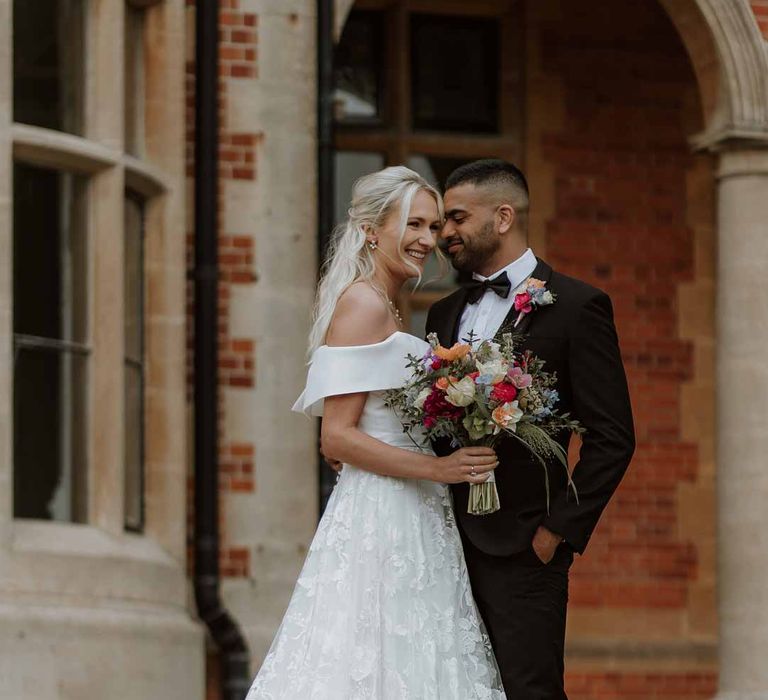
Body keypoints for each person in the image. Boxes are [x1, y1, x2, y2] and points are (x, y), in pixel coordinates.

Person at [246, 166, 506, 699]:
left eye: (433, 228)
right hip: (383, 517)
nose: (426, 241)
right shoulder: (363, 304)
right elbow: (336, 438)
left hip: (418, 510)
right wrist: (439, 469)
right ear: (370, 228)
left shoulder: (393, 307)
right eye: (413, 225)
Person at [427, 159, 636, 698]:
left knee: (529, 691)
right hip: (439, 544)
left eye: (455, 218)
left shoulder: (576, 307)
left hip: (524, 547)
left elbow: (612, 436)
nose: (443, 232)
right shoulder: (442, 313)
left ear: (502, 217)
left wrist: (557, 532)